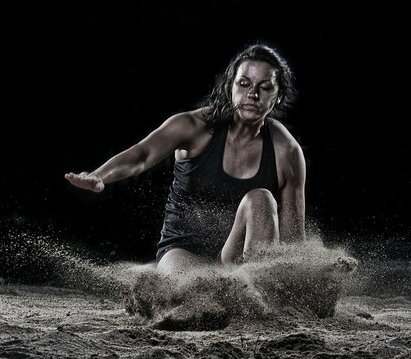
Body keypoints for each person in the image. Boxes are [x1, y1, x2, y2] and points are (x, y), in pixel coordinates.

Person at [65, 43, 306, 274]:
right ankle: (230, 295)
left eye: (264, 87)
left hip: (240, 262)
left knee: (261, 198)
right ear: (230, 87)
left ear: (278, 96)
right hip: (182, 252)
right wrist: (99, 175)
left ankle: (251, 293)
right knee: (199, 290)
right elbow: (143, 154)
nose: (252, 94)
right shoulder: (195, 127)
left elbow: (294, 239)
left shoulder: (287, 151)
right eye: (244, 84)